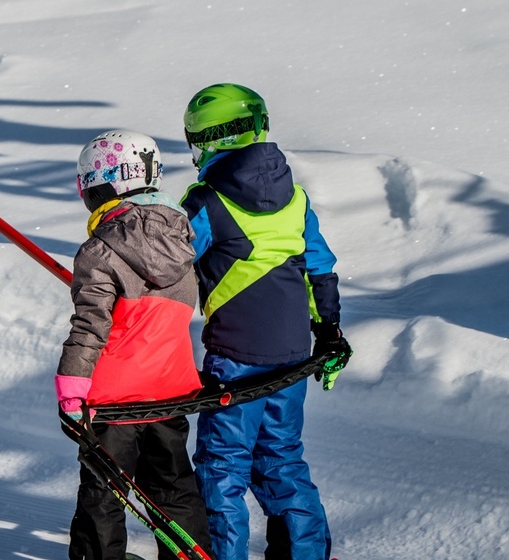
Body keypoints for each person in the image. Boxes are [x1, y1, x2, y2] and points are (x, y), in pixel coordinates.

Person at [178, 83, 353, 559]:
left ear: (208, 141)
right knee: (281, 459)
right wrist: (329, 329)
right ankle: (307, 553)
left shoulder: (206, 202)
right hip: (293, 354)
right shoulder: (295, 197)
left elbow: (170, 266)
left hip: (236, 358)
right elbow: (319, 267)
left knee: (223, 467)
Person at [55, 129, 213, 560]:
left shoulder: (99, 250)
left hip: (111, 399)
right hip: (168, 390)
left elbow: (90, 326)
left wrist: (71, 389)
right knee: (174, 484)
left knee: (105, 490)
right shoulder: (180, 239)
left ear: (100, 185)